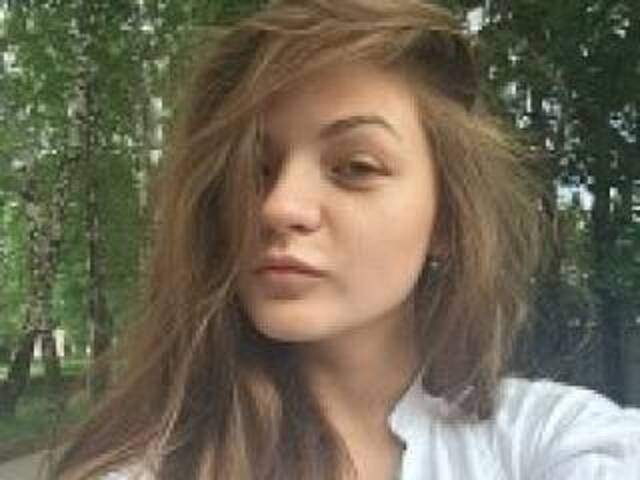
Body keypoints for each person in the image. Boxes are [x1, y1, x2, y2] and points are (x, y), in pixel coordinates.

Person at [54, 0, 640, 479]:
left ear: (446, 220)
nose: (278, 206)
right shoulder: (149, 468)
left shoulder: (557, 440)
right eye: (254, 169)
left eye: (356, 167)